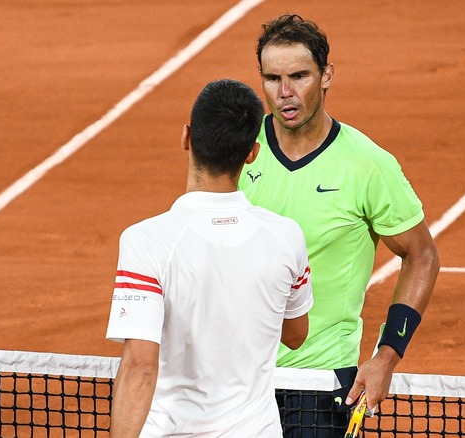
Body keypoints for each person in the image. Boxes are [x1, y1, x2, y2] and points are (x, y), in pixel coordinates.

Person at [238, 14, 440, 436]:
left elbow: (421, 255)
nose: (285, 93)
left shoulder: (367, 165)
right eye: (272, 78)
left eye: (299, 76)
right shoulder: (237, 149)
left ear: (327, 75)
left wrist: (387, 356)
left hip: (318, 383)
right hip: (233, 377)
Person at [106, 79, 314, 437]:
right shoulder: (286, 236)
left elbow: (140, 367)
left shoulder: (146, 241)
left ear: (186, 138)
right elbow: (296, 335)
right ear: (252, 152)